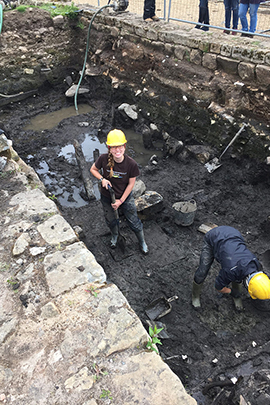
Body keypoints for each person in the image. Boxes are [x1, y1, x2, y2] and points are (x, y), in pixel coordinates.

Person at [90, 129, 149, 255]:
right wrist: (102, 179)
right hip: (107, 197)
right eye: (114, 147)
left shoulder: (131, 164)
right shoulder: (103, 159)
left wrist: (121, 201)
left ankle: (142, 242)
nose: (117, 150)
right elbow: (93, 169)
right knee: (111, 221)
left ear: (124, 146)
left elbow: (131, 184)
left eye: (120, 147)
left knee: (134, 222)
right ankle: (115, 236)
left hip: (125, 197)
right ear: (109, 148)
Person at [192, 226, 270, 310]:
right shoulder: (230, 270)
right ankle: (195, 295)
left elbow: (241, 274)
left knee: (239, 274)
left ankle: (237, 297)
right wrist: (231, 292)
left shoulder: (255, 263)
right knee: (202, 271)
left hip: (233, 235)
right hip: (214, 237)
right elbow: (218, 287)